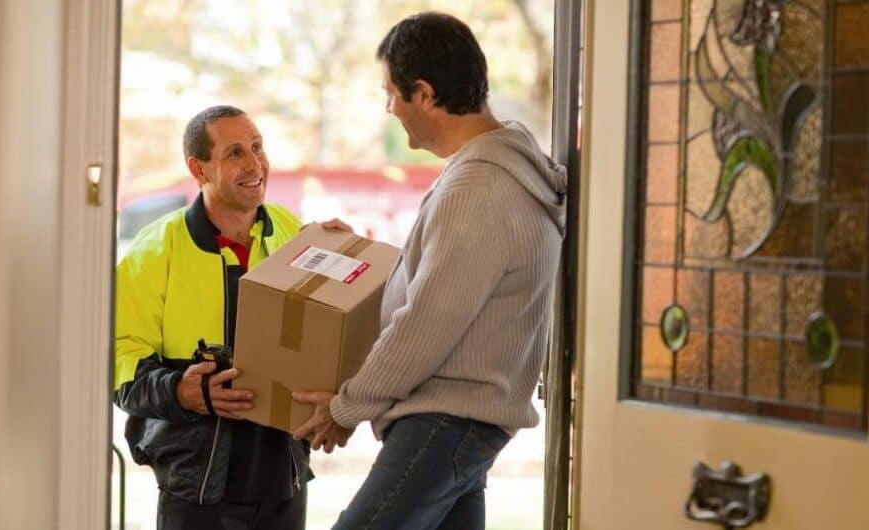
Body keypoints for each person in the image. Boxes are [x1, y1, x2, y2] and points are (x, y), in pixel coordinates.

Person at [293, 12, 568, 530]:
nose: (389, 107)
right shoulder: (501, 172)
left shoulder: (479, 188)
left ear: (424, 94)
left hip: (446, 421)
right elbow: (449, 281)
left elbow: (426, 324)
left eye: (392, 93)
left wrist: (346, 407)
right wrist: (358, 253)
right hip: (465, 423)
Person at [115, 105, 317, 530]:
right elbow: (117, 363)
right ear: (198, 168)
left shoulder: (294, 234)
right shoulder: (155, 251)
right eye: (235, 153)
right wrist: (179, 390)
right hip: (197, 486)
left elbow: (323, 330)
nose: (254, 164)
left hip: (283, 478)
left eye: (257, 147)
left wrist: (336, 249)